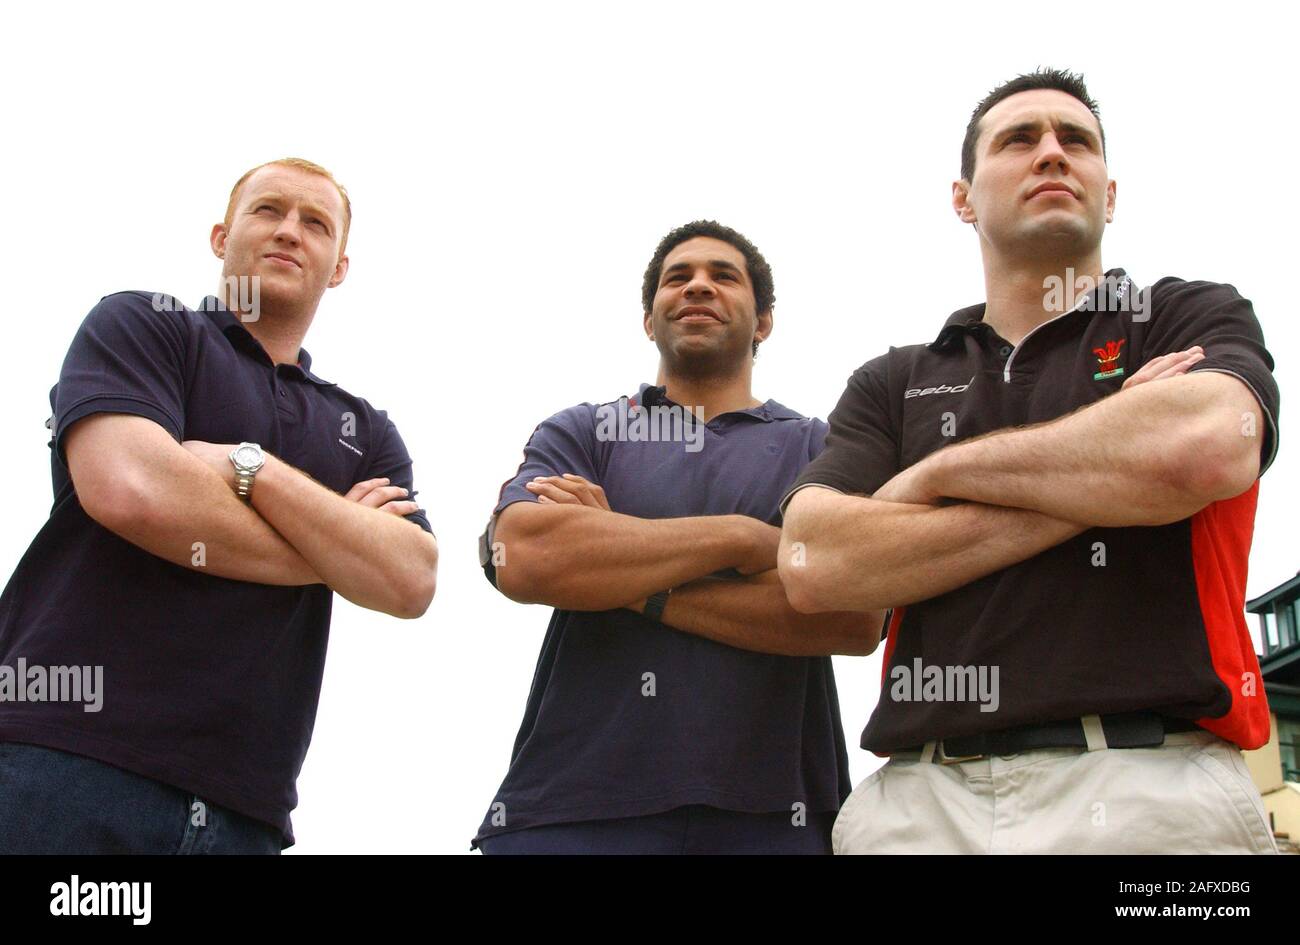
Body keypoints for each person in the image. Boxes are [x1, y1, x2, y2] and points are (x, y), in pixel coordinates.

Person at [779, 69, 1281, 854]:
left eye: (1075, 140)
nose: (1052, 153)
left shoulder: (1186, 312)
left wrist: (932, 477)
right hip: (920, 804)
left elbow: (1206, 447)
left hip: (1154, 795)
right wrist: (1116, 472)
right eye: (1019, 140)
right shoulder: (894, 379)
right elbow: (814, 563)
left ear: (1108, 194)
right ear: (963, 198)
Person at [0, 158, 438, 854]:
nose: (290, 231)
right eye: (268, 210)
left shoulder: (365, 430)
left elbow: (410, 579)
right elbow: (129, 488)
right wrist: (337, 547)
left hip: (245, 814)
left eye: (315, 222)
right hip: (61, 765)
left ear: (339, 267)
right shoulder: (145, 326)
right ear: (219, 236)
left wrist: (250, 468)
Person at [472, 220, 884, 854]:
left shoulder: (818, 447)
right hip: (570, 810)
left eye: (723, 276)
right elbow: (523, 556)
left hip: (777, 818)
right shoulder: (588, 431)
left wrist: (623, 571)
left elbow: (854, 615)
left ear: (764, 321)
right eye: (677, 278)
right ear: (648, 319)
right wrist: (747, 541)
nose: (697, 287)